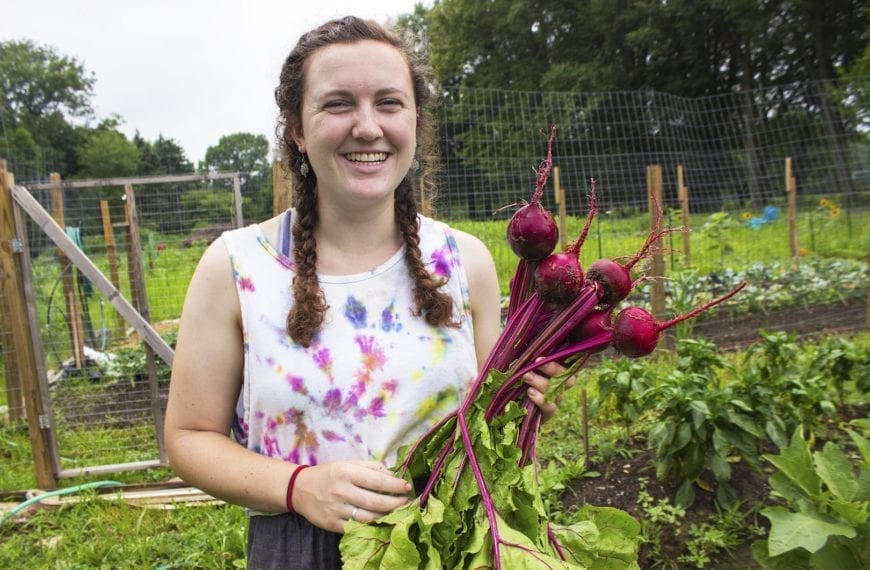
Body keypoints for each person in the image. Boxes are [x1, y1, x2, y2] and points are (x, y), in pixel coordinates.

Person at [164, 15, 568, 569]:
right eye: (337, 104)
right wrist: (297, 486)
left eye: (388, 102)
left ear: (415, 123)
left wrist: (528, 404)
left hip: (452, 540)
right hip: (303, 547)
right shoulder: (236, 267)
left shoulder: (463, 261)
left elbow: (489, 426)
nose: (368, 127)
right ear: (298, 131)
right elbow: (188, 437)